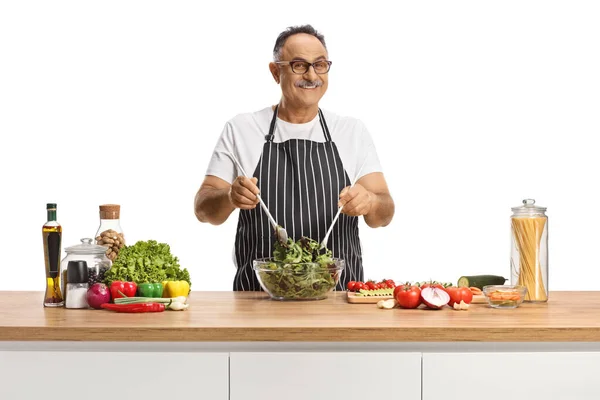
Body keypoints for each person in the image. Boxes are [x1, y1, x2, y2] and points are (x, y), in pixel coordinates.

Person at [194, 24, 395, 291]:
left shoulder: (351, 131)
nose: (311, 75)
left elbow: (384, 213)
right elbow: (204, 210)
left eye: (320, 64)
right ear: (276, 71)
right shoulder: (241, 129)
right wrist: (229, 196)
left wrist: (369, 201)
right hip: (258, 301)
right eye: (299, 65)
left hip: (337, 302)